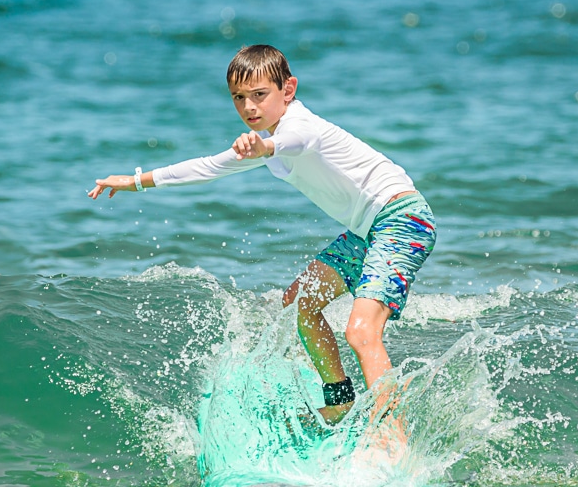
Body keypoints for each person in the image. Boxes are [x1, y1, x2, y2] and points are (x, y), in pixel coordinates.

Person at [89, 45, 436, 425]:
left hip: (401, 219)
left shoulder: (298, 127)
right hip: (365, 230)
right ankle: (339, 402)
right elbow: (206, 167)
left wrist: (264, 146)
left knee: (361, 331)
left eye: (259, 95)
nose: (249, 107)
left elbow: (294, 142)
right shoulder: (266, 140)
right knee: (299, 305)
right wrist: (135, 181)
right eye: (239, 97)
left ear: (288, 90)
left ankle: (391, 434)